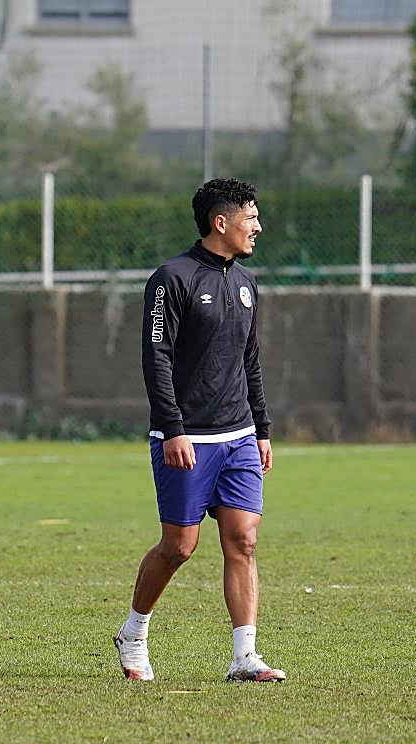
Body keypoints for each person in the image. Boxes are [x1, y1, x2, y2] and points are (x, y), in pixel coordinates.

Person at [113, 178, 285, 684]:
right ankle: (134, 632)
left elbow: (250, 360)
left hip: (238, 436)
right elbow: (156, 357)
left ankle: (244, 656)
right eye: (250, 218)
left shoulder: (248, 284)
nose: (257, 227)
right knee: (180, 546)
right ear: (221, 222)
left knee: (243, 541)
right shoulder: (171, 278)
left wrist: (262, 429)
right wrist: (172, 428)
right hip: (186, 438)